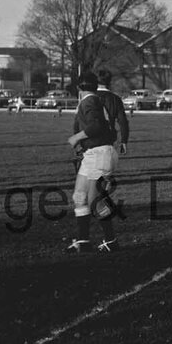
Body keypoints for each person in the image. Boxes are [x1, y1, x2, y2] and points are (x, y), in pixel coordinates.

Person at [67, 72, 119, 253]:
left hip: (100, 154)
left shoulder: (88, 101)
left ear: (78, 87)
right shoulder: (95, 100)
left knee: (94, 201)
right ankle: (83, 241)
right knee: (79, 196)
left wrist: (77, 138)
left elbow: (96, 126)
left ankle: (111, 240)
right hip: (94, 153)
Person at [96, 69, 129, 156]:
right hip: (108, 138)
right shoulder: (115, 99)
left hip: (90, 138)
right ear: (109, 81)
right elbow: (123, 122)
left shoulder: (90, 97)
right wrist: (124, 141)